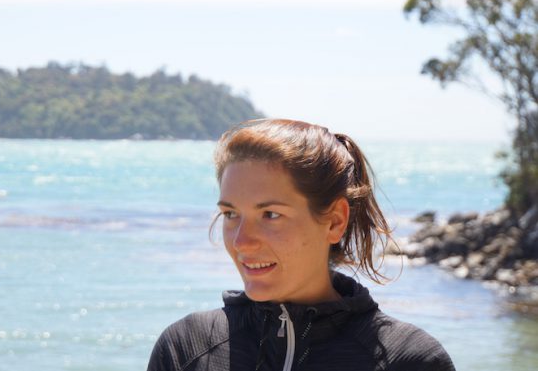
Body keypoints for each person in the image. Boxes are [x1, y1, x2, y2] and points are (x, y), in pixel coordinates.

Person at [147, 118, 455, 371]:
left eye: (270, 215)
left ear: (334, 221)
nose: (241, 241)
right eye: (230, 214)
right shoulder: (185, 349)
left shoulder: (410, 361)